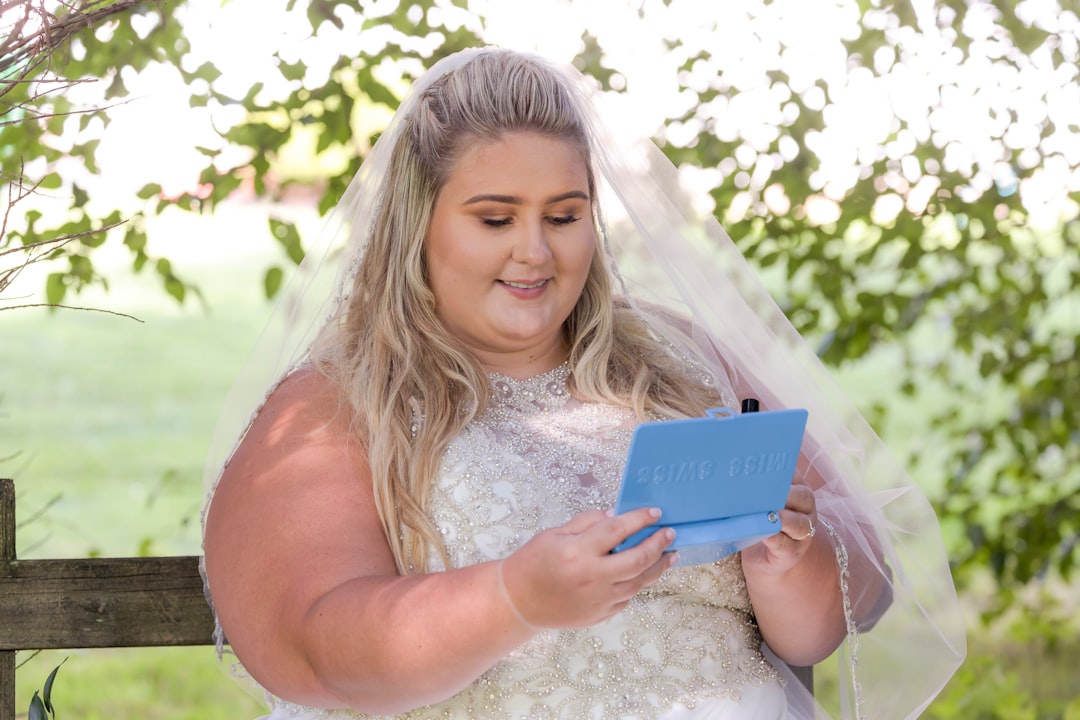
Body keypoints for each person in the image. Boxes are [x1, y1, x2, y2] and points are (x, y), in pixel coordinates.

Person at [201, 47, 965, 719]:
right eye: (495, 220)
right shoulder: (332, 405)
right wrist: (512, 599)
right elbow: (310, 651)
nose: (535, 252)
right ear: (418, 223)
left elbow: (831, 622)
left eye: (563, 217)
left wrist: (787, 561)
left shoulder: (680, 358)